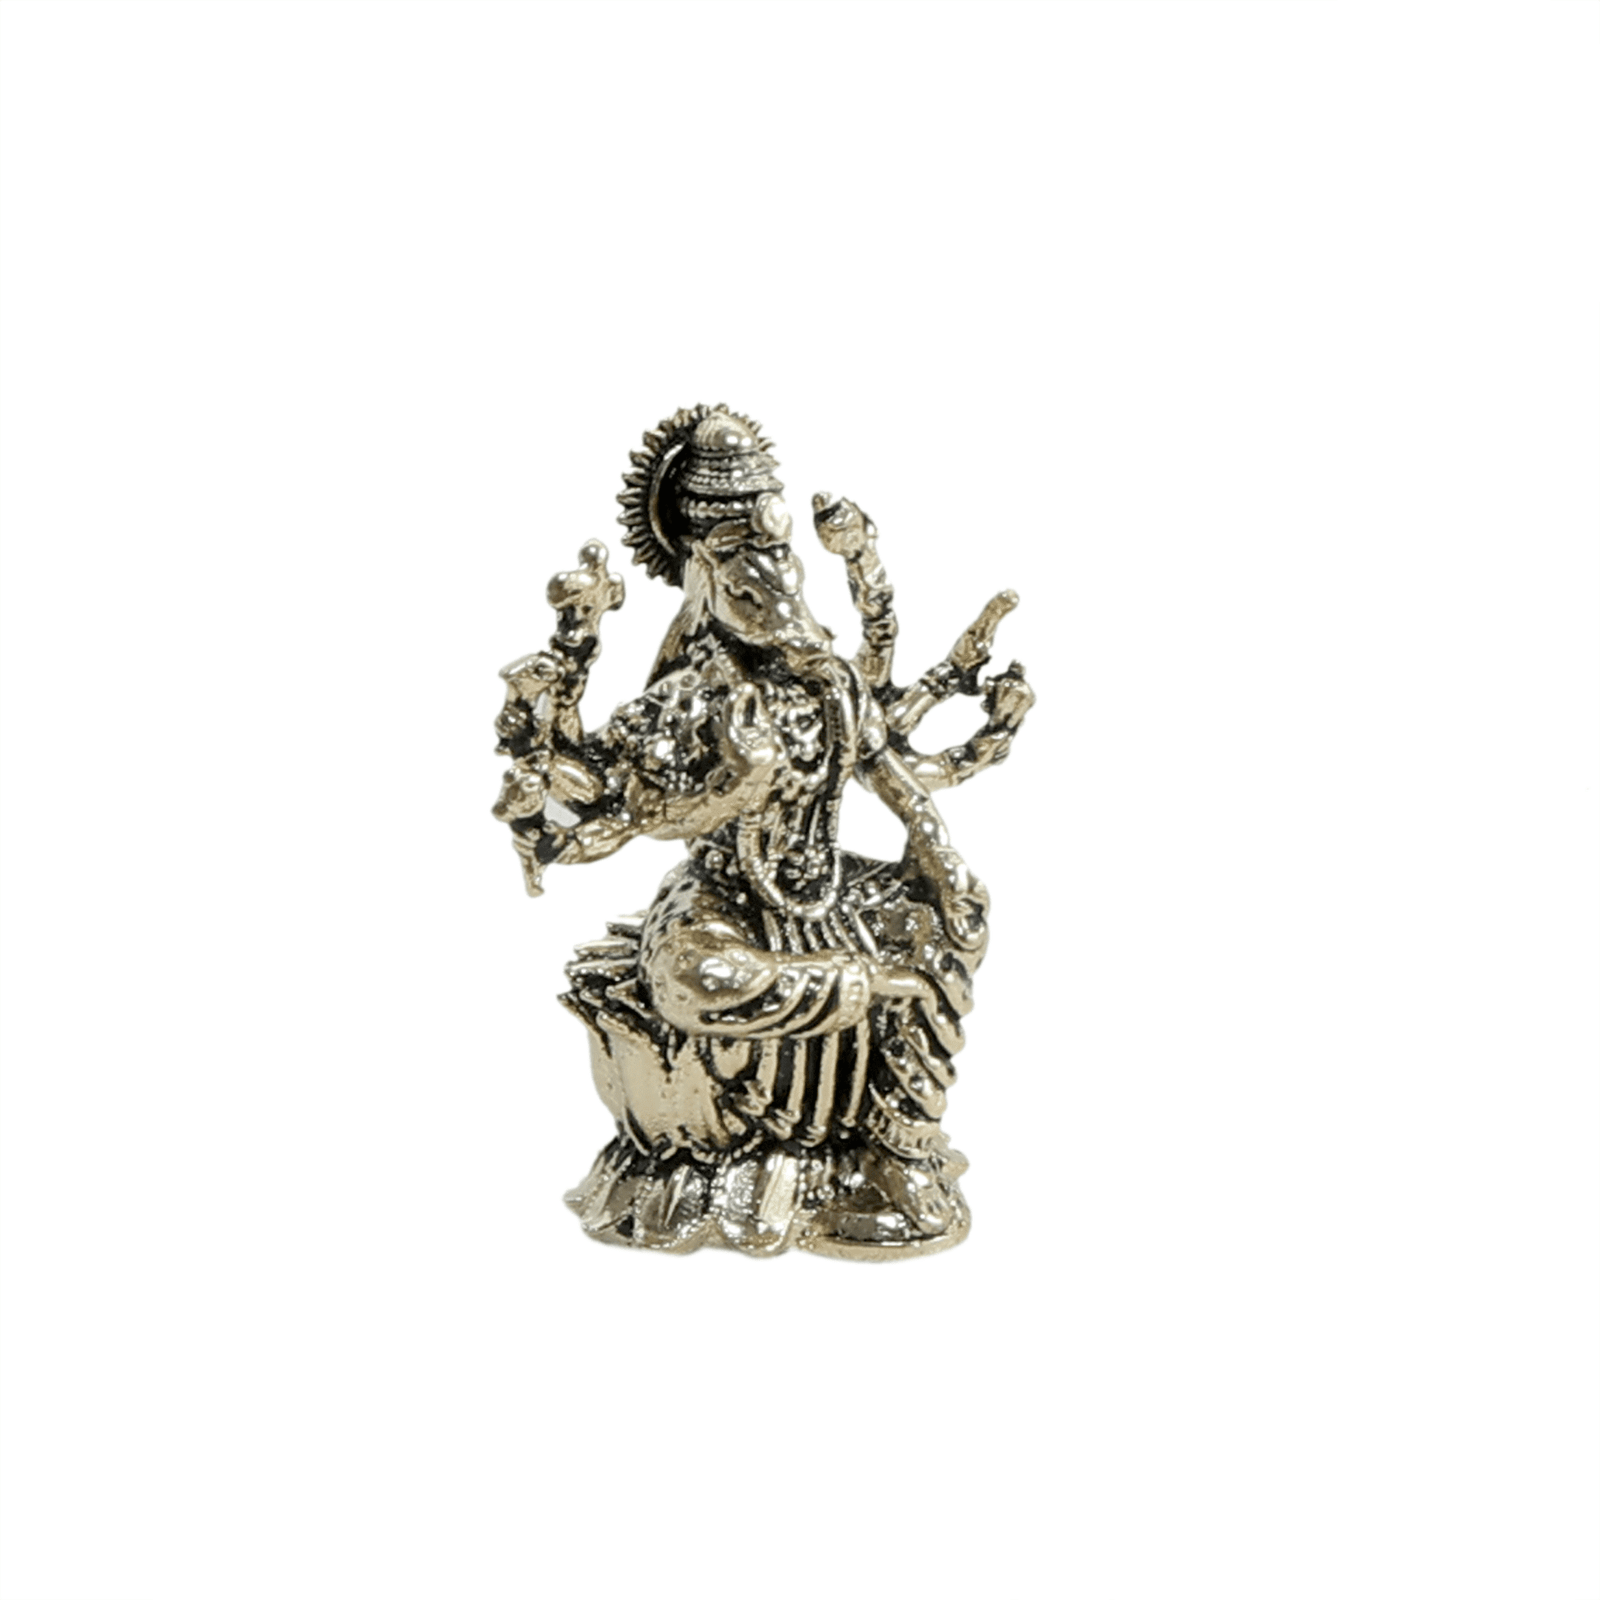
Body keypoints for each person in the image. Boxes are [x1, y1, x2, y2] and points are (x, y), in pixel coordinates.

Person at [493, 406, 1033, 1257]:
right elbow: (611, 807)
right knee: (687, 980)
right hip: (724, 897)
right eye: (741, 561)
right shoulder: (695, 697)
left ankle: (899, 1152)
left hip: (828, 884)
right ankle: (866, 994)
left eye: (779, 556)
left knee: (954, 912)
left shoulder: (826, 679)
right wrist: (577, 655)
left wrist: (937, 850)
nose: (771, 583)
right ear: (704, 575)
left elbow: (885, 768)